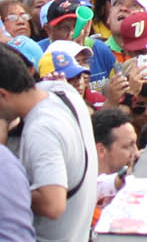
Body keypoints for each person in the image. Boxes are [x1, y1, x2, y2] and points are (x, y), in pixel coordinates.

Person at [0, 44, 95, 241]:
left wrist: (11, 190)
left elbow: (53, 204)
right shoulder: (61, 90)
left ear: (3, 95)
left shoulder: (41, 130)